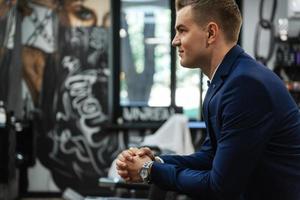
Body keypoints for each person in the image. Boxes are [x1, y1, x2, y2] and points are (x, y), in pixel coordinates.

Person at [116, 0, 300, 199]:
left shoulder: (245, 85)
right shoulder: (227, 80)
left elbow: (220, 186)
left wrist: (149, 170)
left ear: (211, 33)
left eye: (182, 30)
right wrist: (157, 162)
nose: (175, 41)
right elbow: (211, 156)